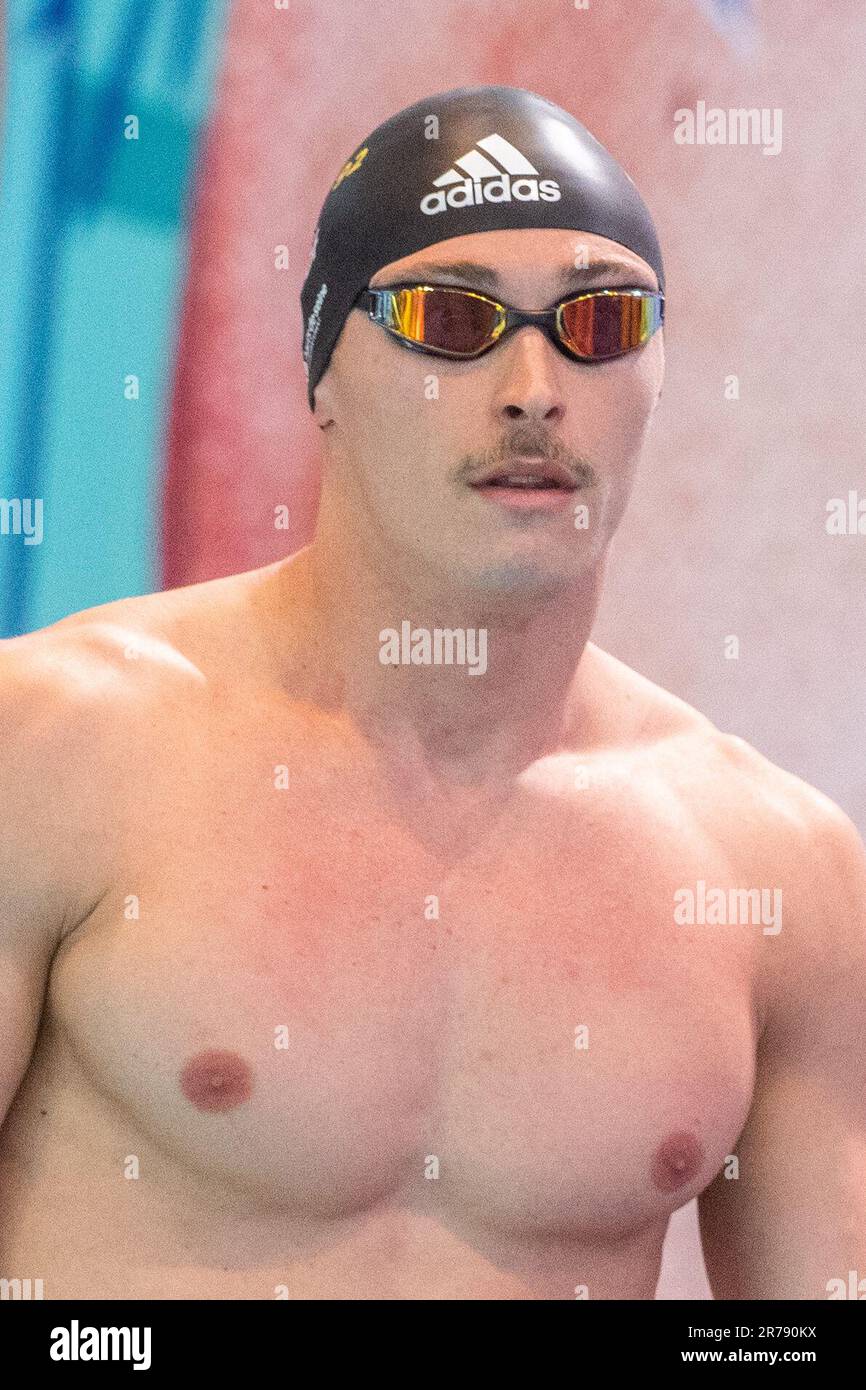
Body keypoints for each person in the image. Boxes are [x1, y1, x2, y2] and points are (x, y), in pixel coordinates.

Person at [1, 85, 864, 1301]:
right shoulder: (55, 747)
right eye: (450, 320)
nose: (532, 387)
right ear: (322, 374)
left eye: (601, 320)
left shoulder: (776, 874)